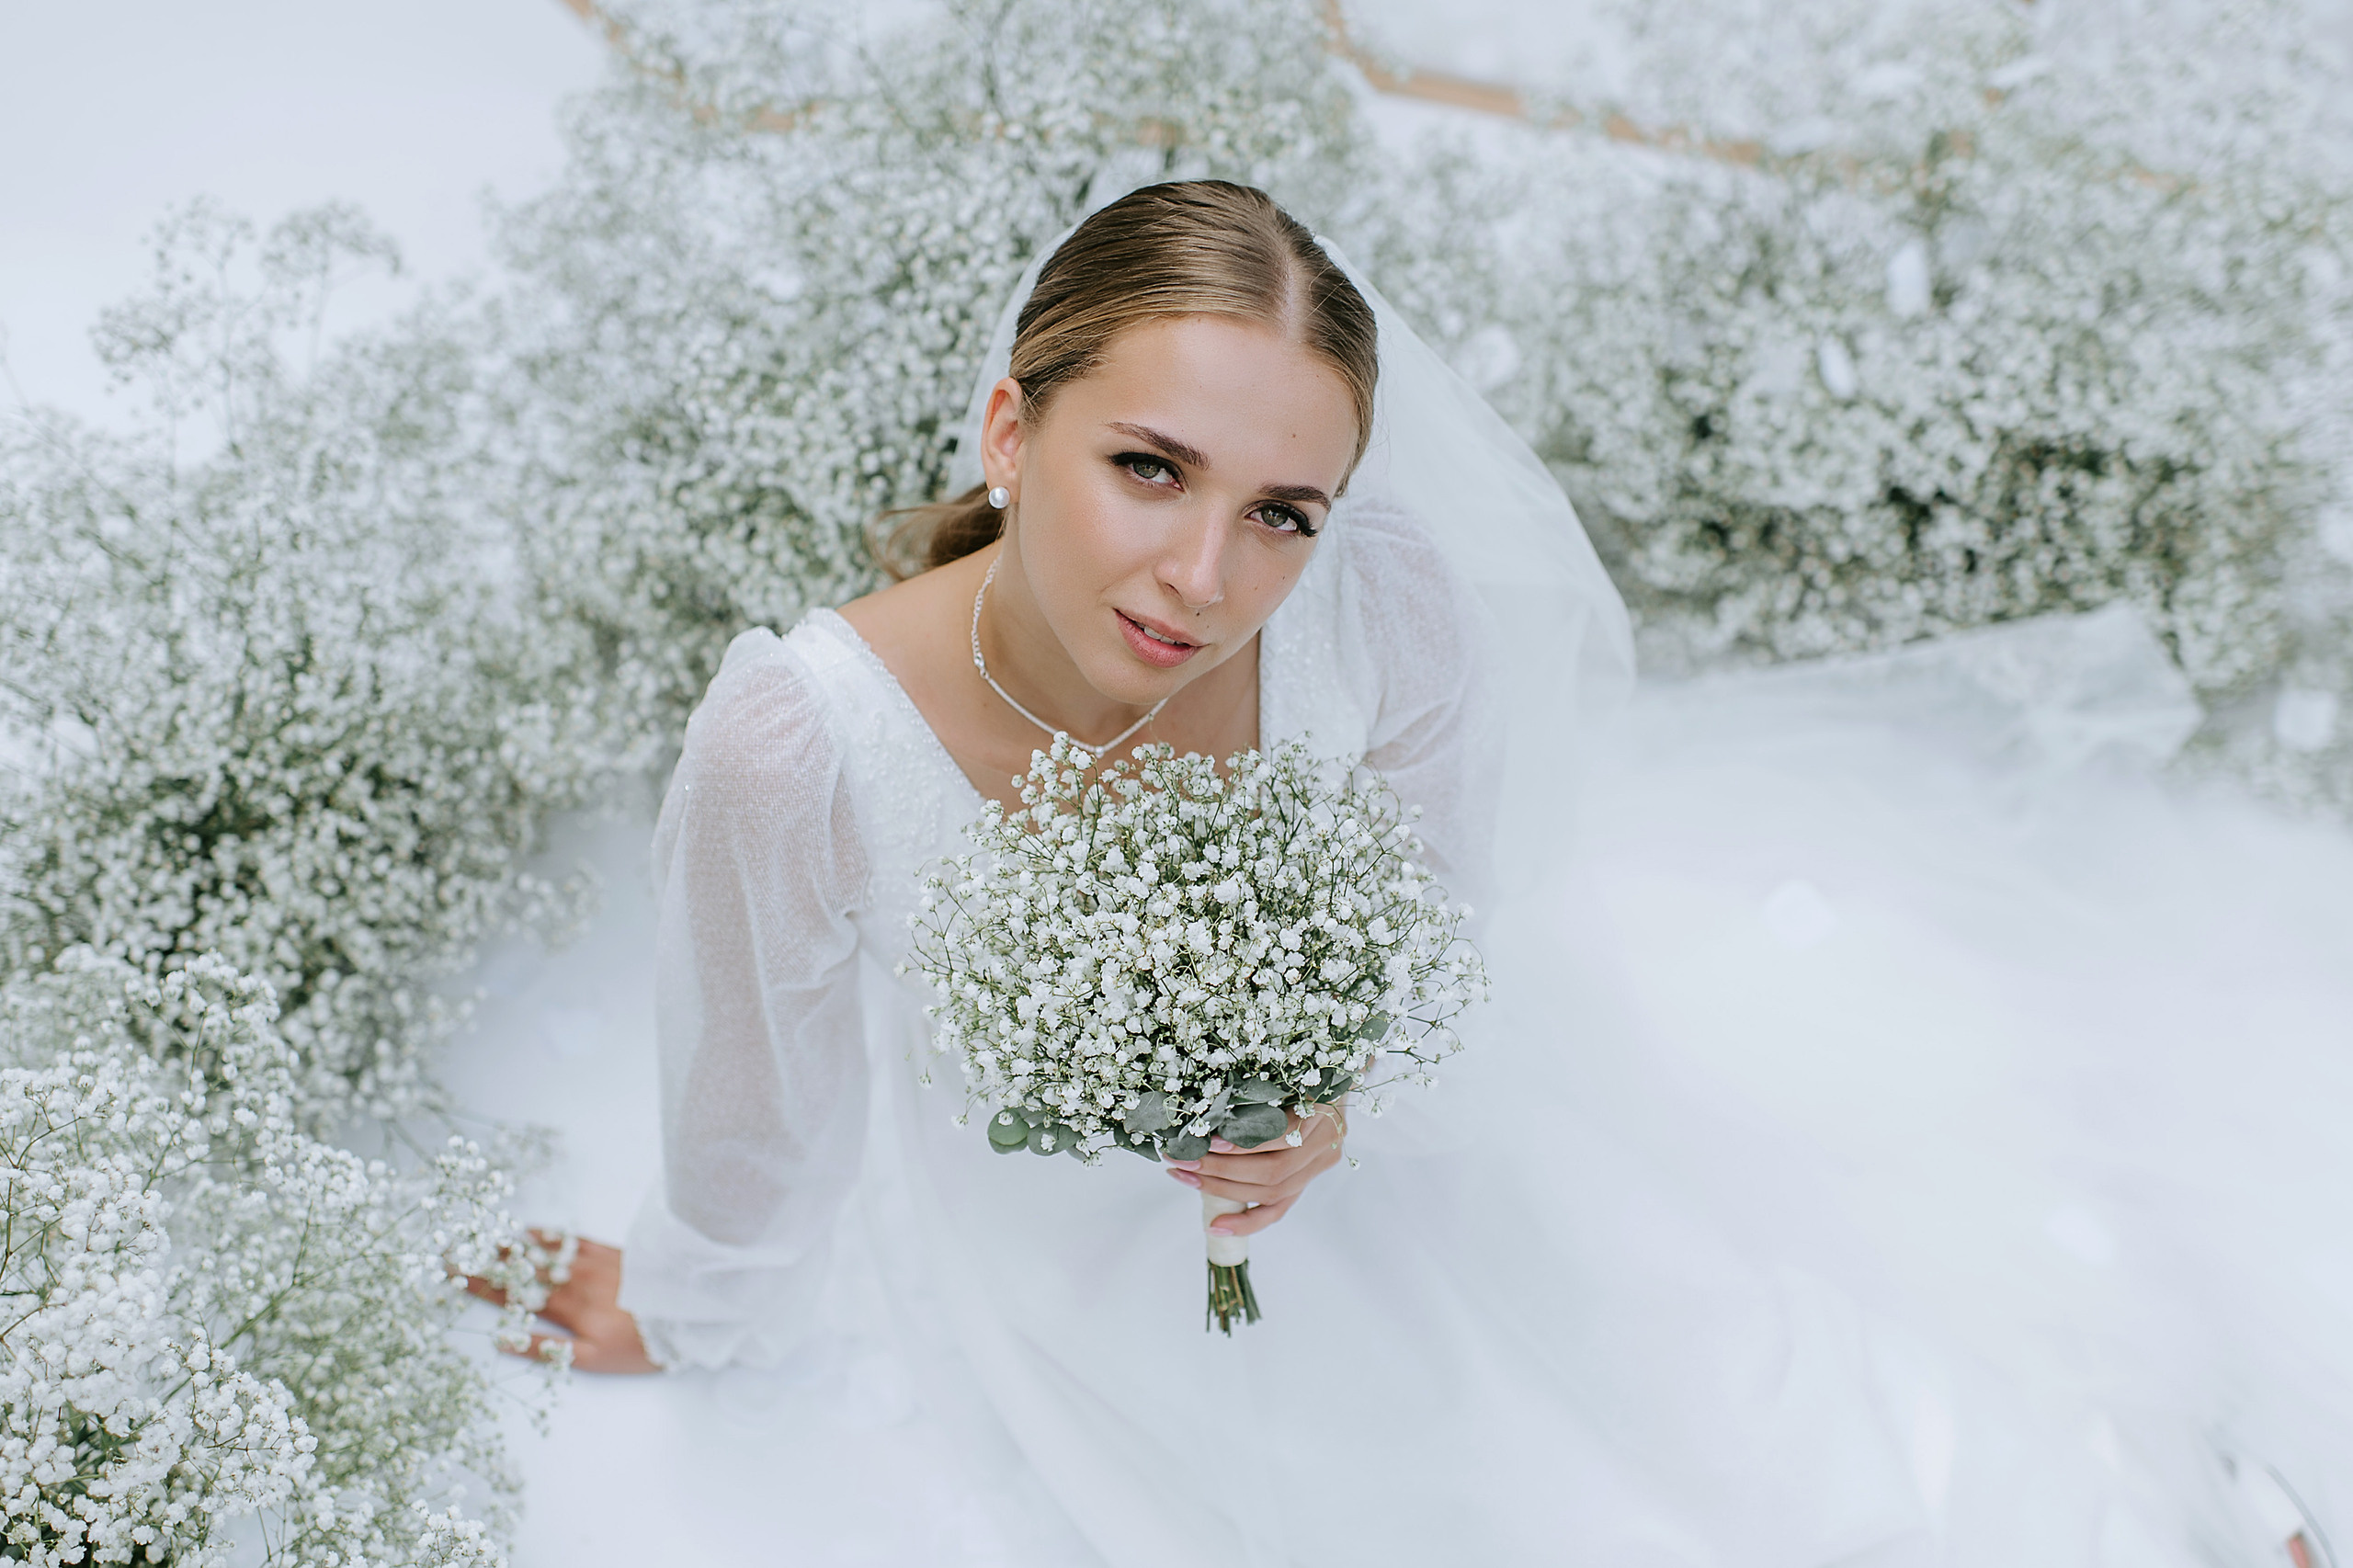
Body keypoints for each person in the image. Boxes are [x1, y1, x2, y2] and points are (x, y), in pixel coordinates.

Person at [476, 181, 2349, 1565]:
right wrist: (700, 1300)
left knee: (1744, 1407)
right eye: (1150, 467)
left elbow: (1445, 927)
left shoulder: (1381, 606)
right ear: (1009, 428)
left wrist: (1339, 1104)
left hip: (1411, 1163)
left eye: (1280, 510)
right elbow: (760, 1083)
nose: (1204, 577)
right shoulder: (800, 745)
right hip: (1068, 1257)